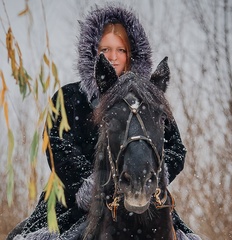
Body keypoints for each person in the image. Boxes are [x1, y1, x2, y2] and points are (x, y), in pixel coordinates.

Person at [7, 4, 196, 240]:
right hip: (72, 198)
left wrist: (149, 172)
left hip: (145, 196)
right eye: (105, 49)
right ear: (93, 53)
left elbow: (176, 148)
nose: (113, 56)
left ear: (132, 54)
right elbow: (56, 144)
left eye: (121, 49)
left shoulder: (150, 101)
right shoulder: (69, 97)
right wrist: (91, 183)